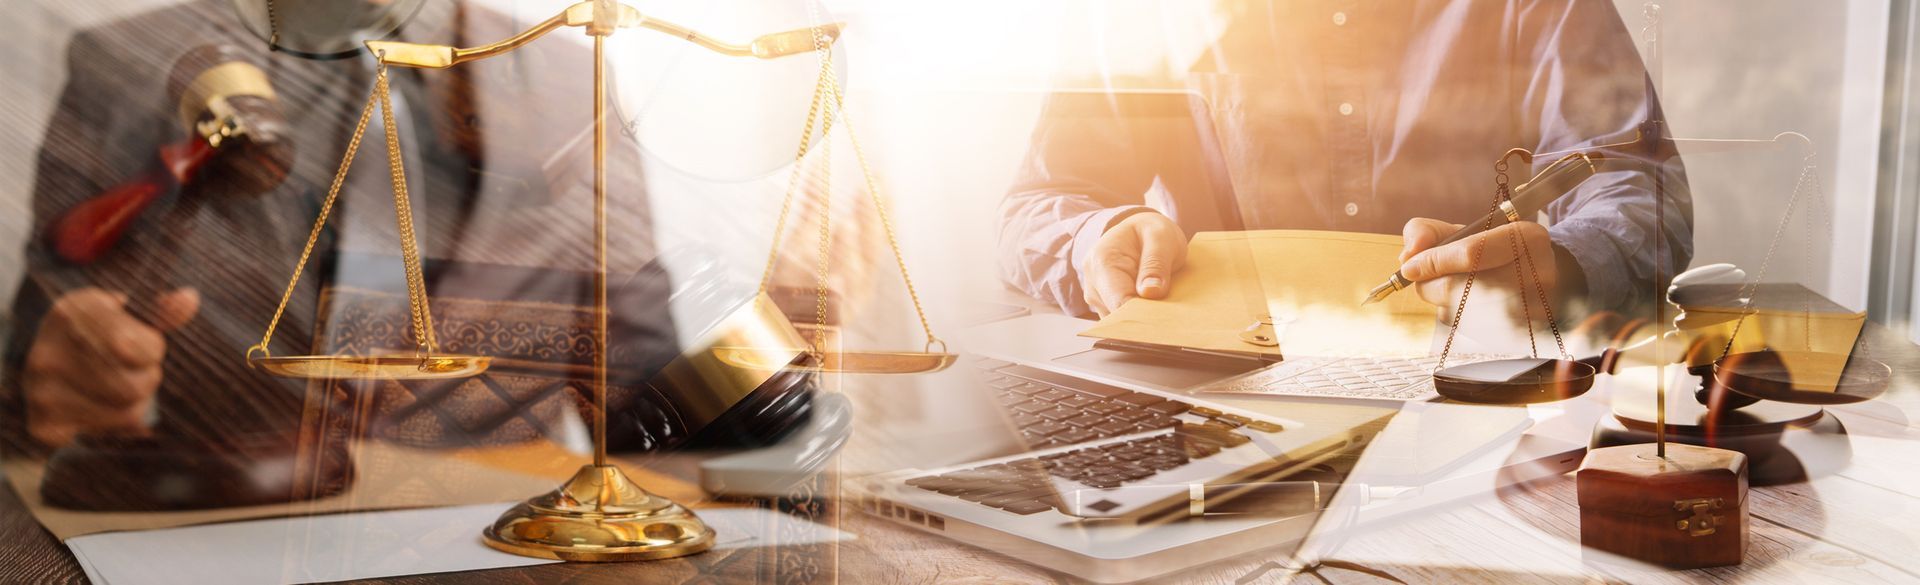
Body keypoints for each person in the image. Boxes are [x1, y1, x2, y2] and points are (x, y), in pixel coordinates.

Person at [1, 0, 810, 494]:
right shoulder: (130, 63)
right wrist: (59, 380)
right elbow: (33, 367)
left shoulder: (571, 74)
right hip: (217, 517)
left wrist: (754, 408)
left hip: (489, 531)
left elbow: (638, 373)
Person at [999, 0, 1693, 320]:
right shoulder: (1147, 14)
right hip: (1208, 401)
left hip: (1483, 385)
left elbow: (1638, 186)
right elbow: (1039, 202)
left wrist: (1561, 263)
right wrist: (1098, 238)